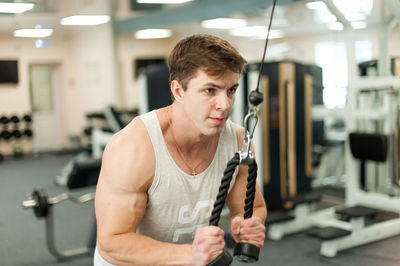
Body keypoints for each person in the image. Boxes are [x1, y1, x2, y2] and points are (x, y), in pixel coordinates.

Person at [94, 34, 267, 266]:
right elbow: (112, 243)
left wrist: (245, 224)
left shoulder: (237, 141)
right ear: (178, 91)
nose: (225, 105)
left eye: (231, 90)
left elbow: (253, 207)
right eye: (210, 90)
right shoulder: (134, 147)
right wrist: (189, 255)